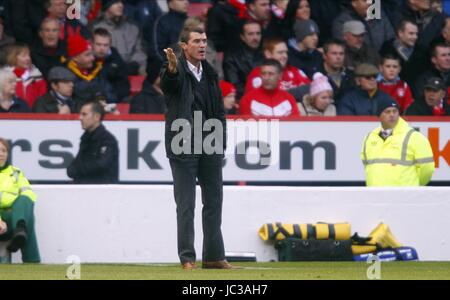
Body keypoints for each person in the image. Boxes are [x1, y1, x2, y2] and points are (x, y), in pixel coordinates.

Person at [161, 26, 234, 270]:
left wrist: (221, 140)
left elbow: (220, 110)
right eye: (196, 41)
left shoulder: (211, 73)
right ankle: (188, 258)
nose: (202, 45)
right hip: (183, 142)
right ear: (184, 46)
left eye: (204, 40)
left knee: (214, 201)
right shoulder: (176, 69)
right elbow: (170, 83)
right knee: (186, 204)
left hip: (210, 142)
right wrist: (171, 69)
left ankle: (213, 256)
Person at [361, 98, 435, 186]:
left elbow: (427, 169)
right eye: (387, 112)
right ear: (379, 115)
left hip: (404, 197)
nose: (392, 115)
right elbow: (367, 166)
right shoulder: (369, 137)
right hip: (376, 196)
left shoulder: (415, 137)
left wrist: (414, 186)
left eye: (395, 111)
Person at [0, 138, 41, 263]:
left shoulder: (16, 172)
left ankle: (20, 229)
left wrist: (17, 207)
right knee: (28, 217)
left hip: (13, 218)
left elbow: (28, 194)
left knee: (25, 199)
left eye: (4, 150)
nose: (1, 154)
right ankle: (32, 262)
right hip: (2, 220)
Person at [67, 100, 119, 184]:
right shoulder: (85, 139)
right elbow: (71, 169)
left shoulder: (108, 140)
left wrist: (79, 169)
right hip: (86, 189)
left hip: (103, 192)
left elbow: (101, 166)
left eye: (84, 114)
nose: (80, 118)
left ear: (97, 117)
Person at [93, 0, 147, 75]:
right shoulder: (95, 29)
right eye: (115, 2)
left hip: (133, 71)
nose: (120, 5)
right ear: (107, 6)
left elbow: (139, 52)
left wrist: (137, 66)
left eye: (121, 2)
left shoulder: (132, 28)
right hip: (105, 73)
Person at [66, 34, 117, 111]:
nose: (93, 58)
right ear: (75, 57)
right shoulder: (65, 76)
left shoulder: (97, 71)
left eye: (92, 54)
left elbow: (112, 96)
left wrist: (103, 97)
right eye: (87, 55)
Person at [245, 38, 310, 93]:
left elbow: (311, 90)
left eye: (286, 52)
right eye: (280, 52)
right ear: (268, 54)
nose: (285, 56)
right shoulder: (258, 74)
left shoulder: (295, 71)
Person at [223, 20, 264, 99]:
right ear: (242, 37)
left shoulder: (266, 53)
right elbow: (235, 85)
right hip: (245, 98)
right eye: (250, 34)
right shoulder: (232, 57)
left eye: (258, 33)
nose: (255, 37)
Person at [92, 27, 130, 102]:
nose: (102, 48)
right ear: (92, 44)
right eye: (98, 44)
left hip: (113, 99)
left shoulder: (117, 60)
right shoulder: (85, 58)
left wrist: (111, 98)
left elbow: (123, 85)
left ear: (110, 45)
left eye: (105, 45)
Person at [5, 43, 47, 109]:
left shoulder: (37, 77)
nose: (28, 58)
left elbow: (43, 100)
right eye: (24, 56)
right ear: (13, 57)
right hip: (10, 116)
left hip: (33, 115)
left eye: (28, 55)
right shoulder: (4, 77)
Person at [319, 39, 355, 105]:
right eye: (334, 53)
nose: (338, 57)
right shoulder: (316, 75)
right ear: (324, 56)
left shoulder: (351, 75)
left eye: (341, 54)